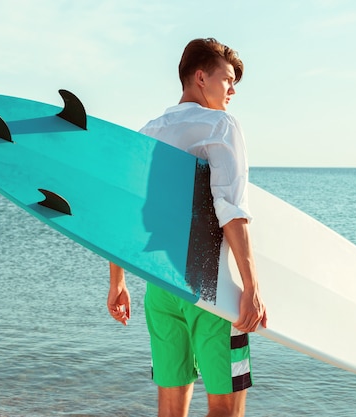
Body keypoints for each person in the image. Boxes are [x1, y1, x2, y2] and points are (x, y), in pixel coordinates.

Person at [107, 38, 267, 417]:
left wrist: (117, 282)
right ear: (200, 77)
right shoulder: (221, 125)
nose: (232, 91)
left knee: (169, 410)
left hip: (160, 288)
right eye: (227, 80)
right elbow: (230, 209)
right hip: (212, 289)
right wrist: (252, 287)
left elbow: (126, 214)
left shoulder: (148, 130)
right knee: (226, 409)